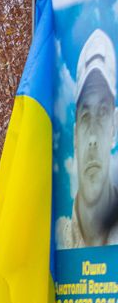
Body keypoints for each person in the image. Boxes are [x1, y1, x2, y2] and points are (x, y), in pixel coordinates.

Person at [57, 28, 118, 249]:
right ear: (74, 135)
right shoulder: (58, 242)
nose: (92, 137)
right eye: (85, 116)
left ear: (115, 127)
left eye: (102, 113)